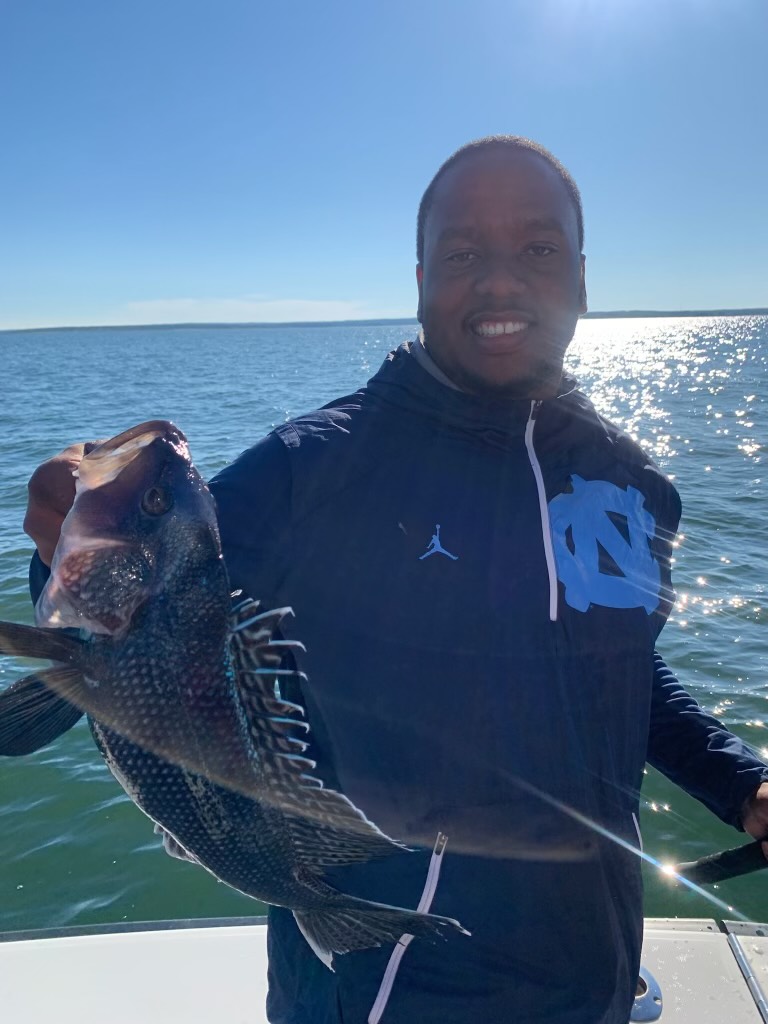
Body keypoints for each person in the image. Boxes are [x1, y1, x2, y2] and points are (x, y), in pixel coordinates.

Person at [24, 136, 768, 1024]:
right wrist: (60, 538)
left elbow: (621, 671)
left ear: (581, 276)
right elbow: (145, 619)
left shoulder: (634, 483)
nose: (500, 282)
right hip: (383, 982)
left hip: (592, 975)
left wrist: (742, 786)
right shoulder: (310, 468)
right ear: (419, 279)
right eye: (462, 254)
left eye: (538, 247)